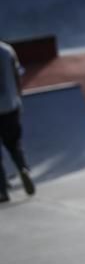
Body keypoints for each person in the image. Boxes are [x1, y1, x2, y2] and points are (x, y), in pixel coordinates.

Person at [0, 41, 35, 202]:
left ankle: (2, 190)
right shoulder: (7, 50)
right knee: (14, 143)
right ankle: (22, 168)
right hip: (10, 106)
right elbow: (17, 76)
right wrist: (18, 98)